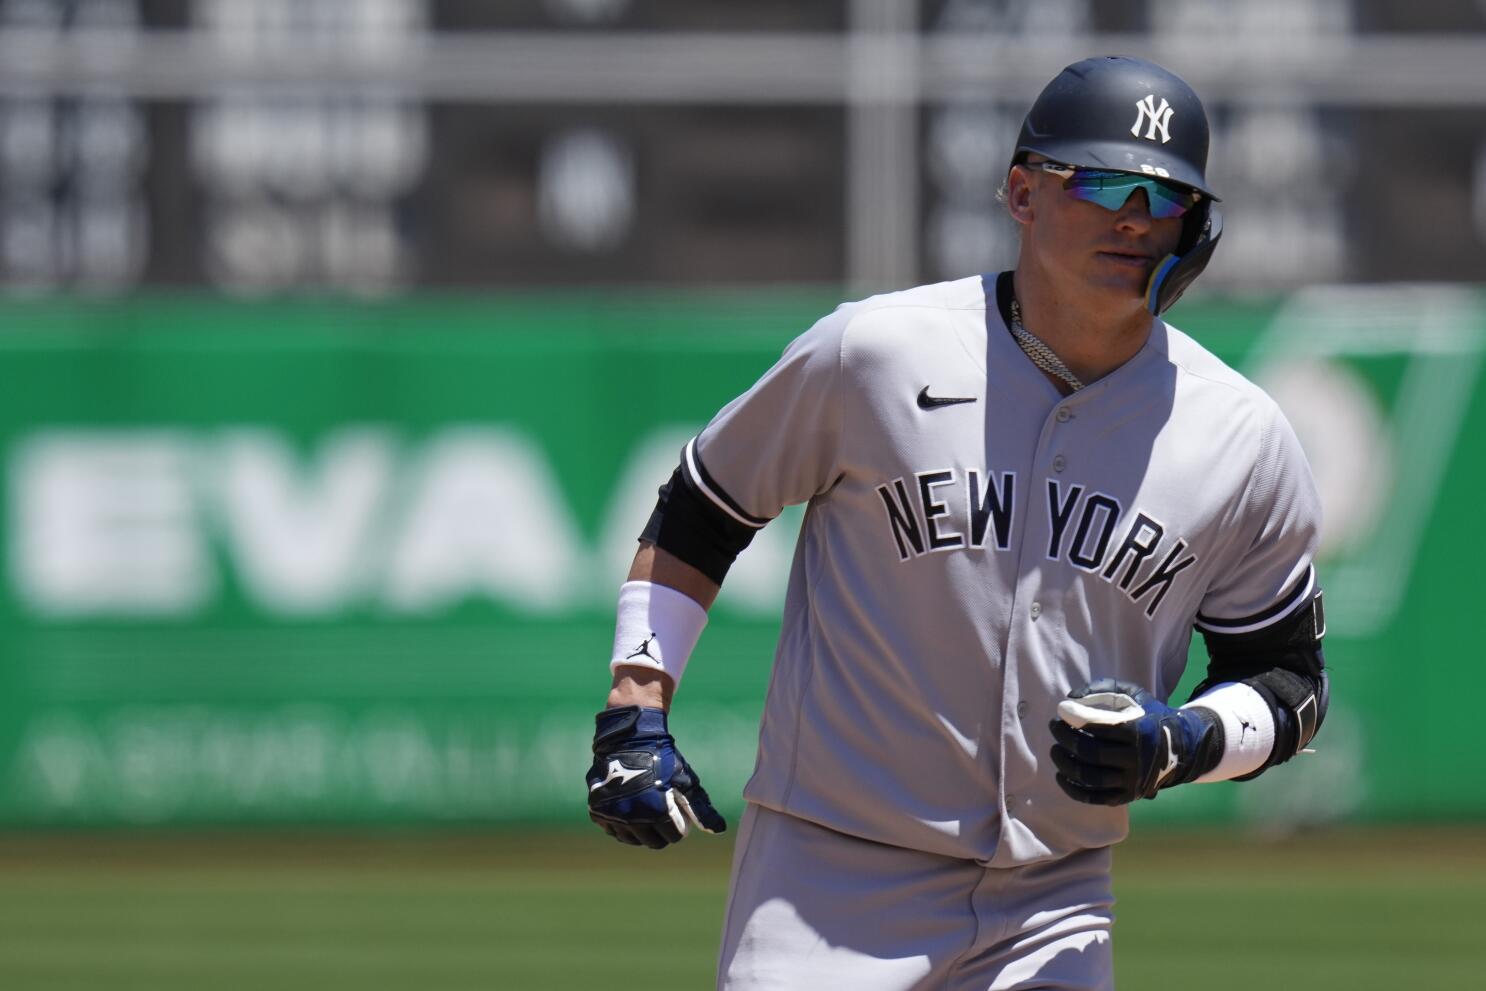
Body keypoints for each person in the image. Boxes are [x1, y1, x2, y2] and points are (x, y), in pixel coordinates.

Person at [585, 55, 1328, 991]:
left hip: (1056, 899)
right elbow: (704, 507)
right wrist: (636, 705)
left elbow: (1288, 679)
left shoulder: (1240, 435)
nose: (1133, 215)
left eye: (1164, 194)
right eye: (1097, 181)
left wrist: (1184, 741)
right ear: (1022, 192)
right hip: (828, 880)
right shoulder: (876, 352)